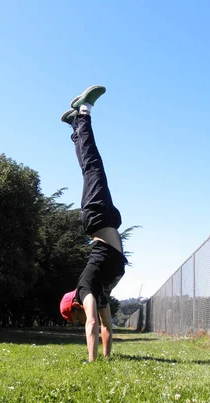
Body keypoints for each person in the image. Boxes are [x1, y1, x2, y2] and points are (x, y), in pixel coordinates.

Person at [59, 85, 128, 362]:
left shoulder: (85, 288)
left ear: (73, 305)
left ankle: (83, 112)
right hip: (105, 219)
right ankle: (74, 125)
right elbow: (107, 328)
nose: (78, 319)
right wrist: (107, 359)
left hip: (97, 216)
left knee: (93, 166)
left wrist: (91, 363)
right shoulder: (99, 294)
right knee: (91, 167)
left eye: (72, 316)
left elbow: (92, 325)